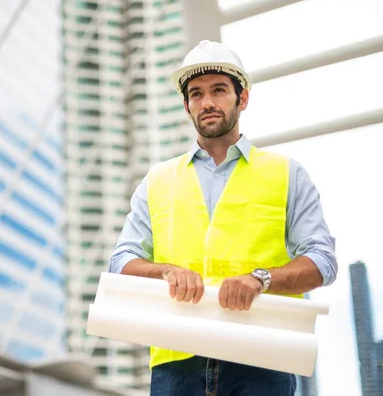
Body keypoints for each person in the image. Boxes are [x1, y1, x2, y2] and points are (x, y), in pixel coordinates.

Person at [108, 40, 337, 396]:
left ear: (241, 98)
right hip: (176, 366)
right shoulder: (157, 180)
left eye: (219, 90)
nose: (207, 103)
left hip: (262, 361)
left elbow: (322, 261)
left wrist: (260, 279)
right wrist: (166, 271)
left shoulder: (287, 174)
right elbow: (120, 261)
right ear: (186, 106)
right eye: (196, 94)